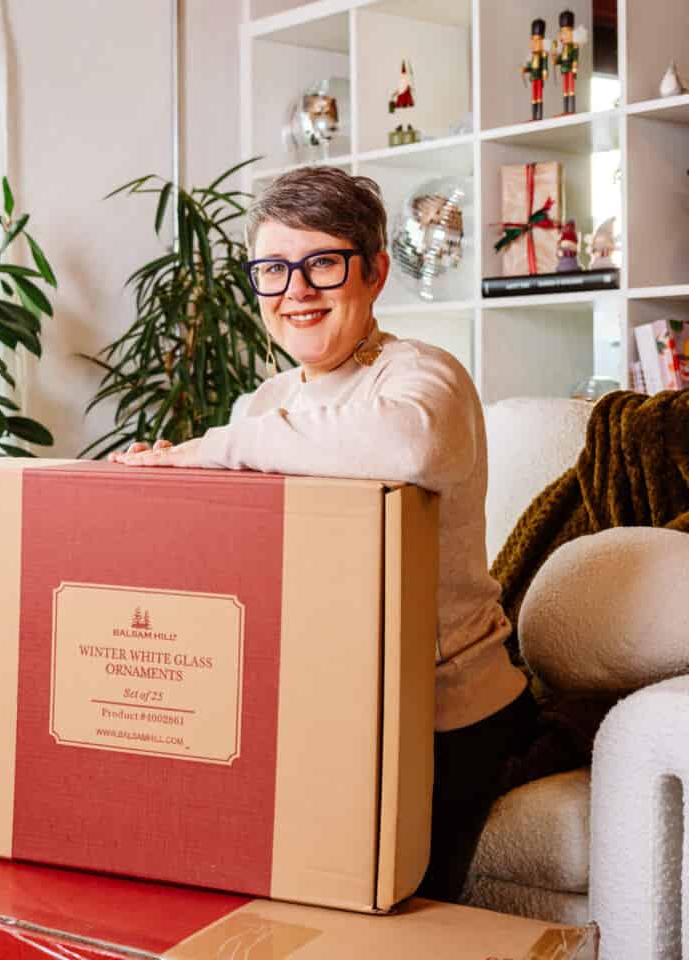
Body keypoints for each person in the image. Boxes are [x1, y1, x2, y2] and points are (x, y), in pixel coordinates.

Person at [109, 166, 535, 902]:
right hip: (319, 708)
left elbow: (408, 450)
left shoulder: (423, 379)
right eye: (273, 269)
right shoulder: (261, 406)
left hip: (447, 718)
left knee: (377, 911)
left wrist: (210, 448)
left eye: (322, 264)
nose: (295, 291)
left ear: (375, 272)